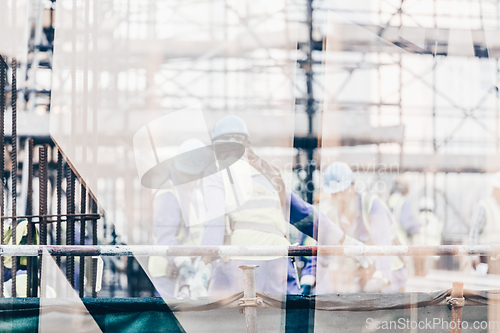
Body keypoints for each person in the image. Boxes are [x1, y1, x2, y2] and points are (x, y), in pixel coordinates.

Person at [200, 115, 368, 296]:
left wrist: (204, 262)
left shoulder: (217, 172)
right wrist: (345, 242)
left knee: (220, 316)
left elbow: (214, 223)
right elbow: (305, 214)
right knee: (282, 319)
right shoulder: (268, 173)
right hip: (278, 259)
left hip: (241, 260)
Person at [322, 162, 407, 292]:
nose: (338, 198)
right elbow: (325, 252)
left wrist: (381, 275)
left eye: (342, 191)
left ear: (353, 187)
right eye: (334, 194)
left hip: (391, 271)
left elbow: (384, 243)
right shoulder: (333, 214)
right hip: (363, 274)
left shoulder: (372, 205)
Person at [148, 139, 212, 298]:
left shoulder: (193, 194)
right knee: (171, 320)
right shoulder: (169, 195)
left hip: (188, 269)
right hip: (170, 272)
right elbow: (165, 237)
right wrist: (182, 263)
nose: (189, 179)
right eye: (185, 174)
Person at [469, 172, 500, 275]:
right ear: (496, 190)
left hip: (497, 257)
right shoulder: (484, 206)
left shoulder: (497, 207)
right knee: (486, 287)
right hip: (485, 257)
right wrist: (474, 255)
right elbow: (474, 231)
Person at [412, 197, 443, 276]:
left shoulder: (417, 218)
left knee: (417, 275)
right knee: (428, 276)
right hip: (431, 252)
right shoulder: (435, 220)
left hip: (417, 251)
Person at [387, 175, 419, 240]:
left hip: (387, 237)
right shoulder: (403, 202)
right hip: (398, 239)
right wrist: (417, 225)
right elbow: (405, 223)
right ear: (405, 190)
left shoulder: (388, 200)